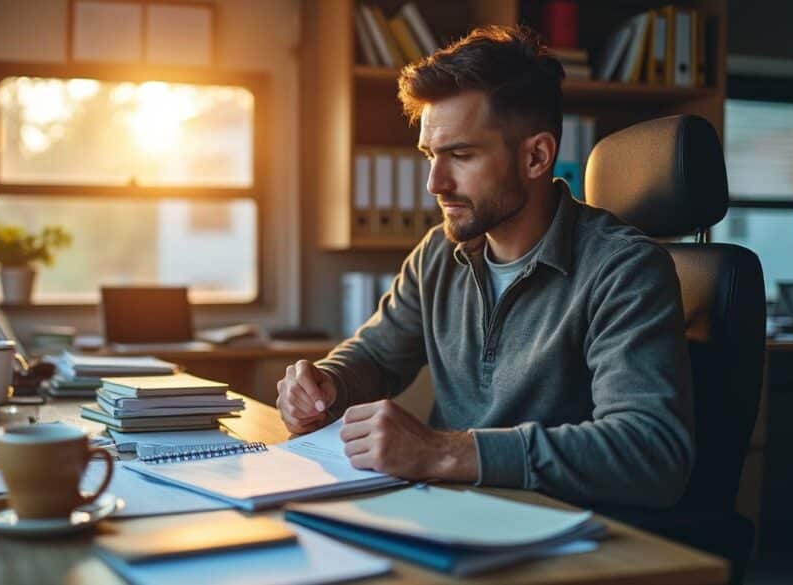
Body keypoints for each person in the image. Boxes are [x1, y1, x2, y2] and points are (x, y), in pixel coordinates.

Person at [277, 25, 694, 508]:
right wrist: (327, 385)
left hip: (566, 534)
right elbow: (376, 356)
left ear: (536, 156)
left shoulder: (625, 269)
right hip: (450, 507)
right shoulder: (438, 253)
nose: (434, 183)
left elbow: (650, 452)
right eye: (430, 156)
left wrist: (444, 452)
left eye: (461, 155)